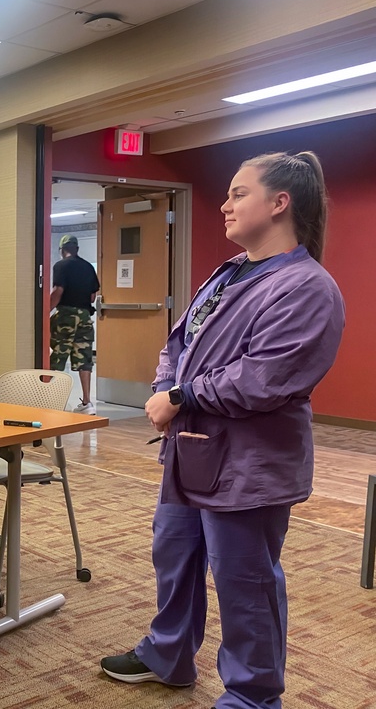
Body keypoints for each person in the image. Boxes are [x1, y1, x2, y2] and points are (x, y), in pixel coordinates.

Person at [100, 152, 345, 709]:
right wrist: (167, 385)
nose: (224, 204)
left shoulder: (307, 287)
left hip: (248, 464)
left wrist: (180, 397)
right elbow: (179, 344)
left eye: (238, 193)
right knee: (175, 556)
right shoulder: (228, 273)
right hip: (192, 451)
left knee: (244, 581)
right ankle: (168, 655)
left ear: (280, 203)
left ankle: (253, 696)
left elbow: (264, 379)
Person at [49, 234, 101, 414]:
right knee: (84, 358)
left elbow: (58, 291)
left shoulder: (61, 265)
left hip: (66, 316)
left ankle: (54, 401)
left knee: (58, 356)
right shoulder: (88, 267)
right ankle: (87, 403)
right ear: (77, 249)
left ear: (62, 250)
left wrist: (45, 310)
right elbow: (92, 296)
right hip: (85, 316)